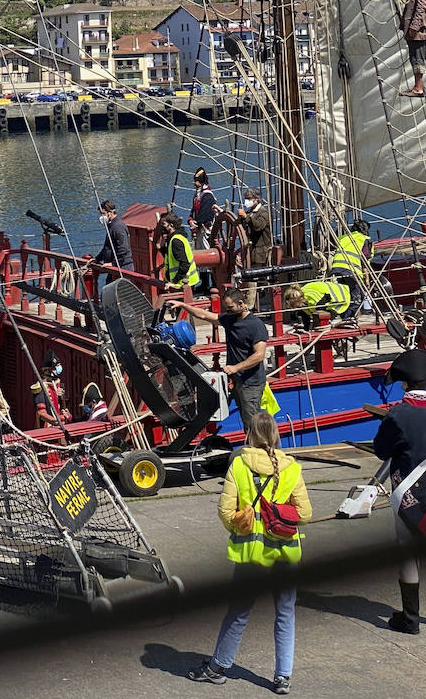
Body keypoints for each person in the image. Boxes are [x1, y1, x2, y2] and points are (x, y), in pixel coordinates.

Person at [188, 411, 312, 691]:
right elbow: (304, 513)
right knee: (285, 612)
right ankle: (283, 677)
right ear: (276, 434)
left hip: (251, 554)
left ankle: (218, 666)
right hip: (285, 552)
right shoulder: (291, 468)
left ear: (251, 434)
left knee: (239, 612)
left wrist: (240, 522)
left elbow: (224, 510)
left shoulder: (240, 465)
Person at [372, 348, 426, 633]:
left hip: (408, 493)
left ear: (405, 383)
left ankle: (410, 619)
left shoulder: (397, 414)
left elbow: (381, 450)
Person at [173, 288, 269, 431]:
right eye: (226, 308)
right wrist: (184, 306)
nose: (228, 311)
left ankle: (258, 450)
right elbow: (205, 315)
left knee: (251, 421)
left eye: (230, 308)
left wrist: (236, 367)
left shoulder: (255, 325)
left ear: (241, 304)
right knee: (245, 419)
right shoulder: (230, 319)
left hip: (251, 382)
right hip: (237, 380)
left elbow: (259, 355)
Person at [329, 217, 373, 308]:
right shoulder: (364, 239)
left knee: (344, 293)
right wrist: (367, 280)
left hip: (337, 267)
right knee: (355, 295)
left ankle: (344, 314)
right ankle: (354, 315)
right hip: (351, 269)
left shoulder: (344, 237)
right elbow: (364, 261)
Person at [282, 279, 353, 327]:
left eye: (295, 306)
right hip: (331, 295)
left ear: (298, 301)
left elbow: (323, 315)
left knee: (324, 317)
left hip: (342, 297)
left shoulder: (315, 301)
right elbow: (305, 315)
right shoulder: (302, 294)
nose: (295, 309)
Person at [160, 209, 199, 290]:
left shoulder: (176, 241)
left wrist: (174, 282)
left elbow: (185, 264)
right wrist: (162, 247)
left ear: (171, 225)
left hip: (182, 283)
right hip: (184, 282)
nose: (162, 227)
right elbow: (169, 257)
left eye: (163, 224)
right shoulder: (177, 237)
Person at [31, 352, 71, 428]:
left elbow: (62, 406)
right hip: (48, 426)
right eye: (57, 366)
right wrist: (55, 421)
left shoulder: (58, 382)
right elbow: (41, 412)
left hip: (61, 423)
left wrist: (67, 414)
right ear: (50, 370)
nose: (60, 367)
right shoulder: (40, 387)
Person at [91, 200, 133, 271]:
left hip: (123, 267)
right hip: (114, 267)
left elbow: (123, 249)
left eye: (103, 213)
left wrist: (113, 264)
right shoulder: (111, 225)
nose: (101, 216)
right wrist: (97, 259)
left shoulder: (118, 227)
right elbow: (107, 247)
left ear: (110, 212)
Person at [189, 168, 219, 246]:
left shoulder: (207, 196)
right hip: (199, 228)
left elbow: (206, 215)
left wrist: (196, 223)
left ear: (201, 182)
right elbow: (194, 210)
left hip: (205, 230)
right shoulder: (198, 195)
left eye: (196, 181)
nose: (194, 183)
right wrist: (190, 219)